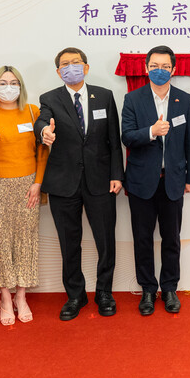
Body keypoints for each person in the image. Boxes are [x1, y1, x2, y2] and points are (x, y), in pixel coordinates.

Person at [35, 47, 124, 320]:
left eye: (76, 63)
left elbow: (113, 139)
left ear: (86, 67)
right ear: (58, 71)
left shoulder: (105, 96)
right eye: (65, 64)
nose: (71, 67)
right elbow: (41, 122)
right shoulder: (50, 98)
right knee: (69, 242)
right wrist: (43, 133)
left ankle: (104, 292)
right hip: (64, 182)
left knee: (105, 240)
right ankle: (75, 295)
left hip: (101, 181)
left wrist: (116, 174)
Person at [121, 46, 190, 315]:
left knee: (171, 239)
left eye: (165, 66)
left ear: (173, 69)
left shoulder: (185, 100)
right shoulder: (133, 99)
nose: (159, 70)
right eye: (154, 65)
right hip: (141, 182)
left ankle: (169, 289)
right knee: (142, 239)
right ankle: (146, 290)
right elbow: (127, 137)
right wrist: (151, 132)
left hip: (173, 182)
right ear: (145, 68)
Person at [0, 66, 48, 325]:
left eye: (13, 82)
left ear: (21, 86)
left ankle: (21, 296)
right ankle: (5, 297)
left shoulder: (33, 111)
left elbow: (43, 151)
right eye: (2, 83)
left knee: (25, 240)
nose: (8, 87)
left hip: (28, 184)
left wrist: (38, 183)